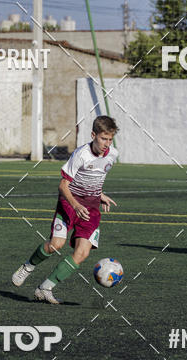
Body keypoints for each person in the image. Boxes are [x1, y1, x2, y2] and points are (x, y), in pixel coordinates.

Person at [12, 116, 119, 304]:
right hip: (70, 204)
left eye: (110, 139)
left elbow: (96, 176)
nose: (107, 144)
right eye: (103, 139)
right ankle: (28, 267)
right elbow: (63, 185)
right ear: (93, 135)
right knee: (56, 245)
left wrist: (99, 194)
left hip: (91, 209)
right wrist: (76, 205)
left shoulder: (113, 154)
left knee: (82, 253)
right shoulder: (81, 154)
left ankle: (45, 288)